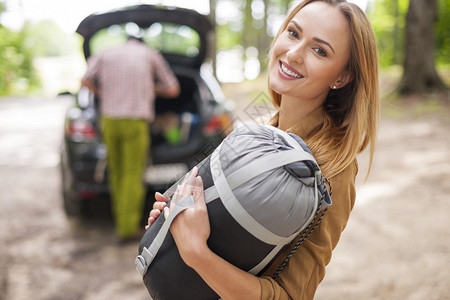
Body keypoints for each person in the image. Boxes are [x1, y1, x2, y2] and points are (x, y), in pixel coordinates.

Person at [146, 0, 379, 298]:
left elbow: (291, 295)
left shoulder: (333, 170)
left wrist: (196, 253)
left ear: (342, 77)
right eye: (293, 33)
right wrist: (176, 218)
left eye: (319, 50)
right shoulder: (258, 129)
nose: (293, 54)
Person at [81, 36, 180, 240]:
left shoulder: (105, 54)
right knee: (132, 174)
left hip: (109, 121)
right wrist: (151, 88)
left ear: (125, 41)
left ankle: (120, 221)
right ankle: (127, 229)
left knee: (116, 172)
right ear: (141, 41)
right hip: (135, 121)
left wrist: (102, 93)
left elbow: (84, 80)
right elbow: (173, 88)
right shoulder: (149, 54)